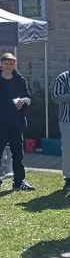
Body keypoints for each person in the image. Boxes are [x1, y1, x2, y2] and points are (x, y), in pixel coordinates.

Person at [0, 53, 35, 191]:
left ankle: (19, 181)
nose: (8, 66)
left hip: (16, 121)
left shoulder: (19, 79)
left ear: (15, 64)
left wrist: (24, 102)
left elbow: (28, 97)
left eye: (11, 63)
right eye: (6, 63)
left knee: (18, 153)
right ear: (1, 64)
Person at [50, 58, 70, 191]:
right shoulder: (62, 78)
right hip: (67, 120)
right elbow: (55, 97)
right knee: (68, 150)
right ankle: (68, 178)